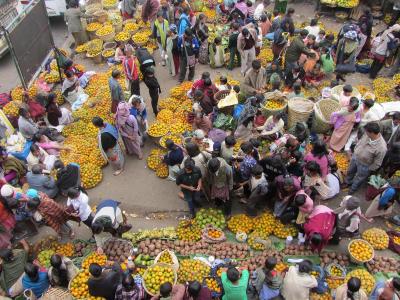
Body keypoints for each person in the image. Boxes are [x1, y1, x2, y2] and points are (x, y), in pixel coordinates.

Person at [345, 122, 387, 194]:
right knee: (350, 171)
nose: (365, 132)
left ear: (372, 133)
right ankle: (347, 182)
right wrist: (355, 150)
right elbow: (360, 142)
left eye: (367, 131)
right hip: (355, 158)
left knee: (359, 178)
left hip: (365, 165)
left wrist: (369, 169)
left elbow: (377, 163)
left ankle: (353, 188)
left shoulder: (382, 147)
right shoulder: (366, 135)